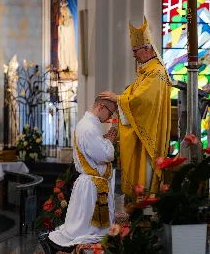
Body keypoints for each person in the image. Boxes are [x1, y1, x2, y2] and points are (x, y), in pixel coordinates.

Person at [99, 16, 172, 198]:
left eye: (136, 51)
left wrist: (118, 99)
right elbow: (132, 94)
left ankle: (146, 208)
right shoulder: (146, 71)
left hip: (149, 133)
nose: (134, 55)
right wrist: (119, 100)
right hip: (141, 130)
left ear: (147, 49)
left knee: (145, 172)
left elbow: (143, 101)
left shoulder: (156, 72)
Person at [40, 96, 118, 253]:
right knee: (84, 231)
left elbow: (94, 152)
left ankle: (54, 243)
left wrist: (104, 142)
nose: (110, 117)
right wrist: (109, 141)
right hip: (91, 185)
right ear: (102, 107)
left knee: (83, 227)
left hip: (91, 183)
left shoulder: (89, 125)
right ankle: (53, 243)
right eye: (110, 113)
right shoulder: (88, 127)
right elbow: (105, 155)